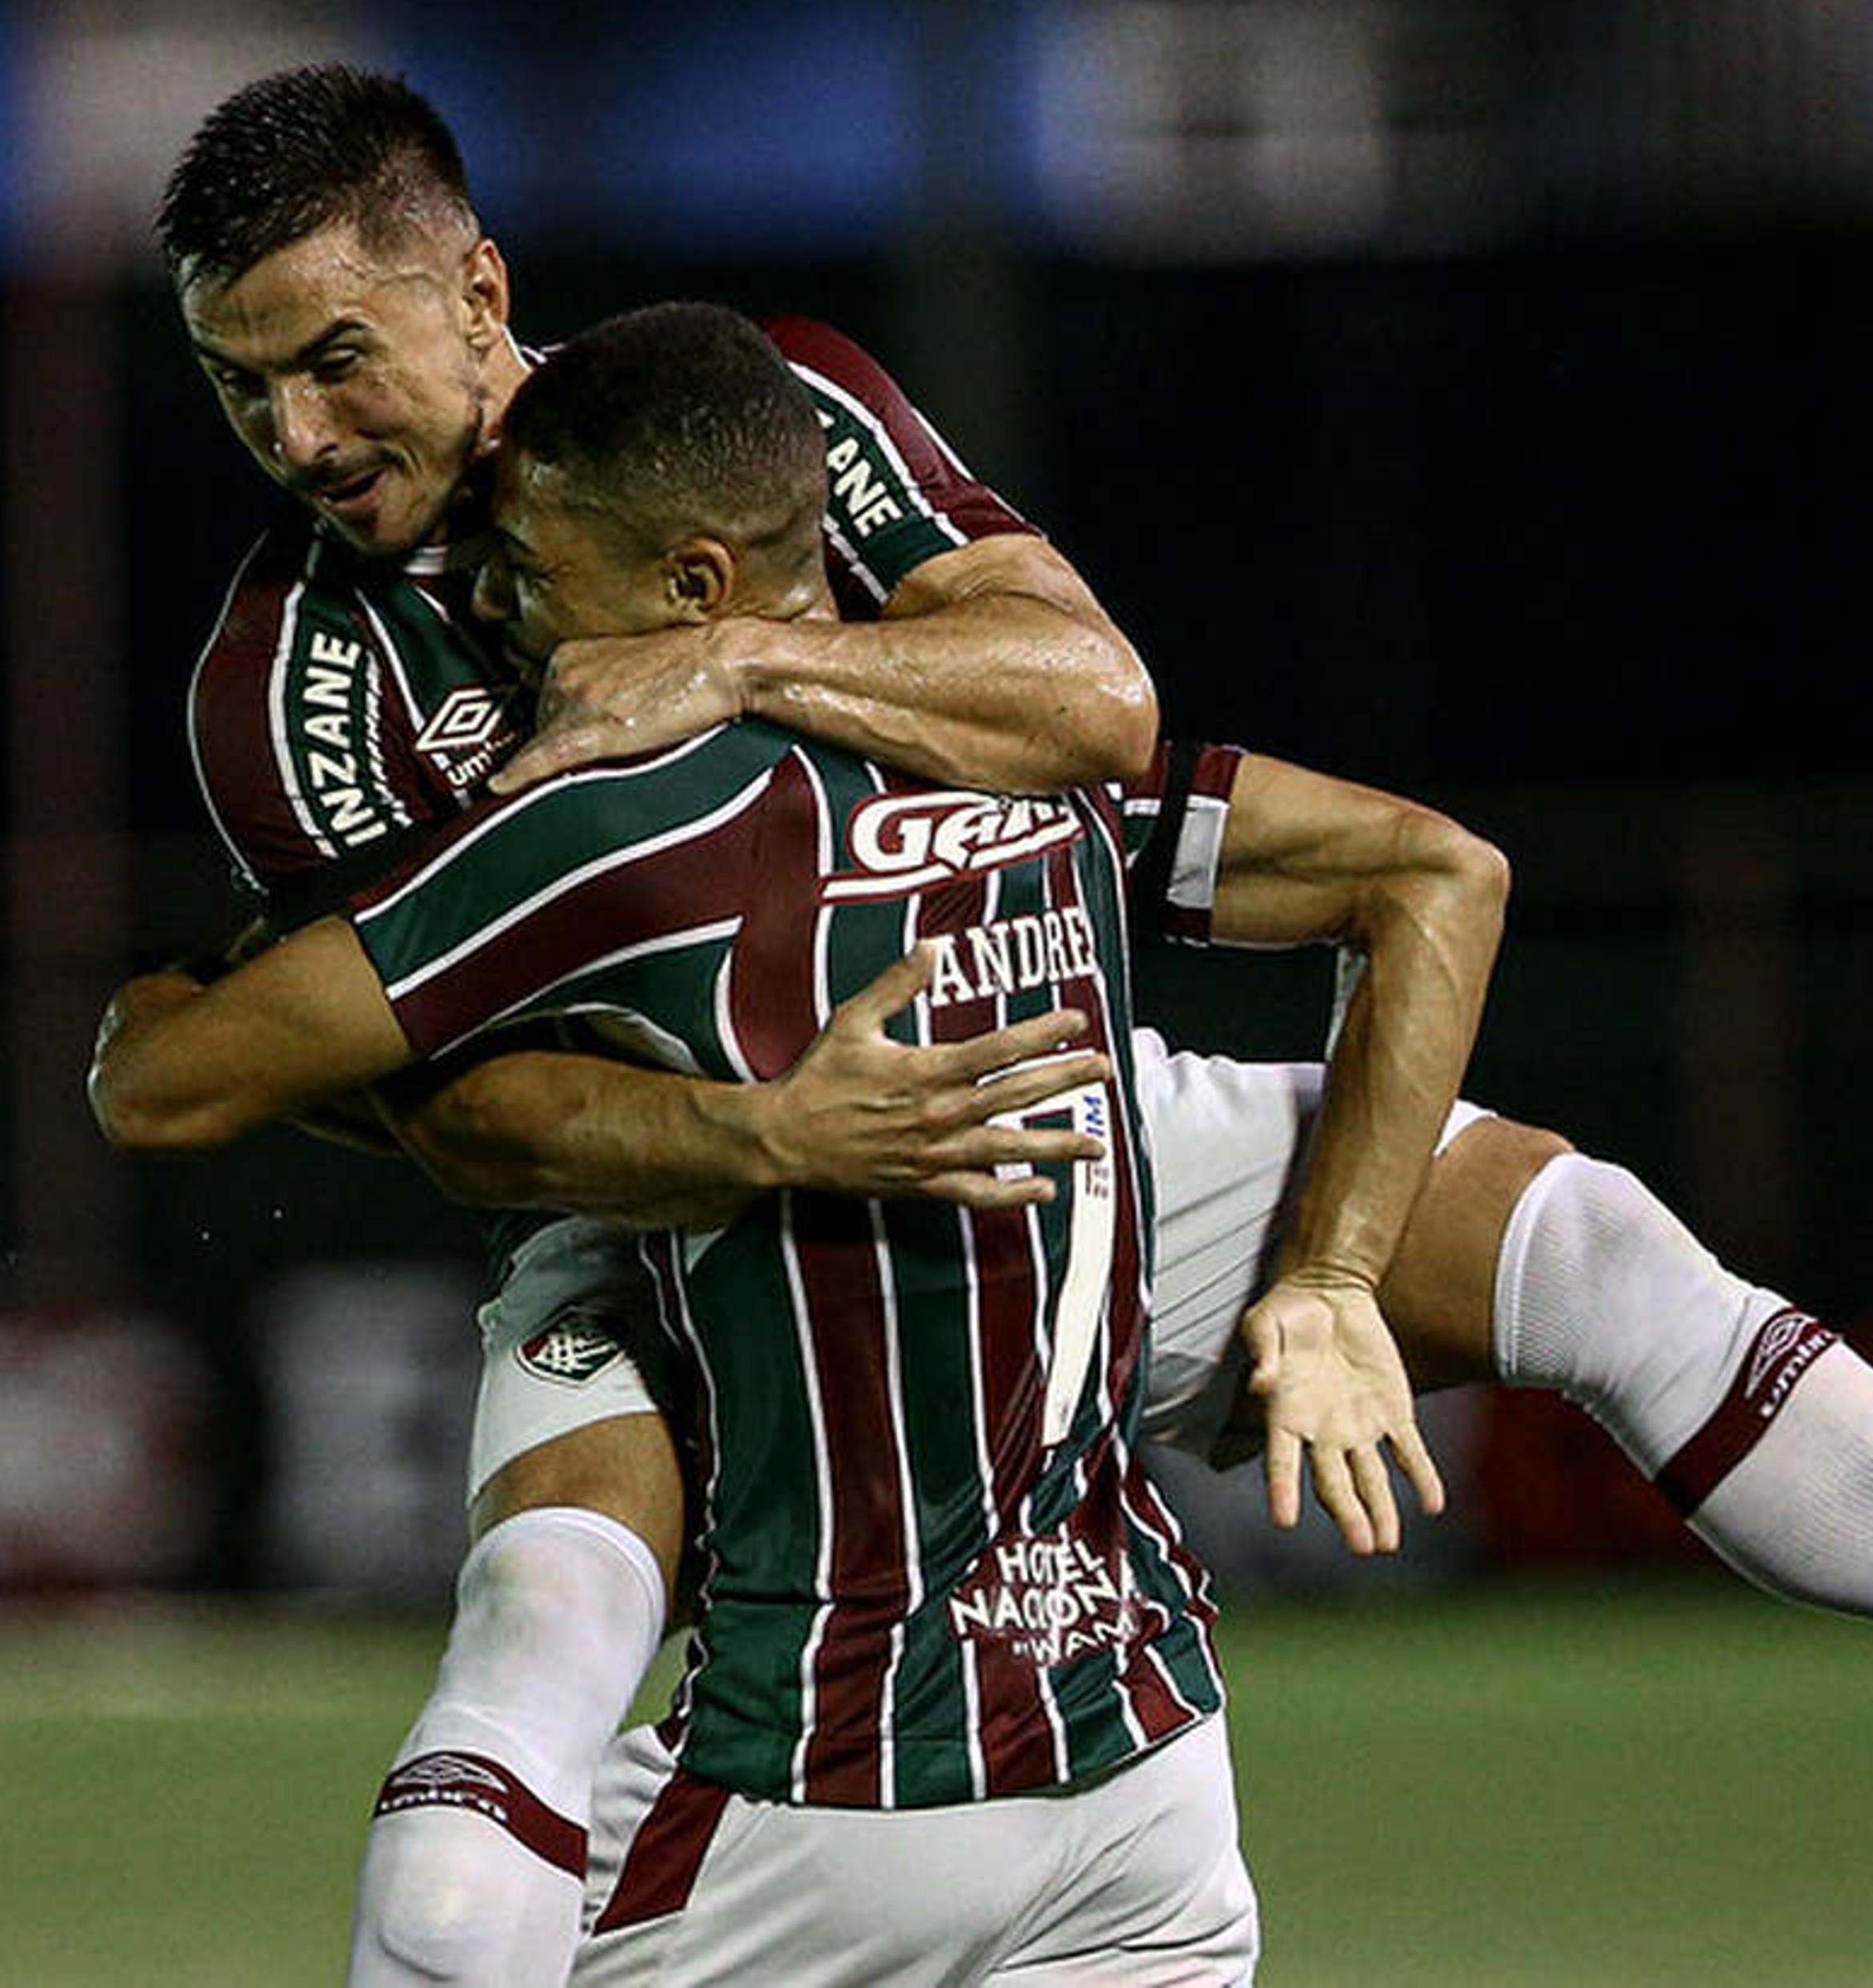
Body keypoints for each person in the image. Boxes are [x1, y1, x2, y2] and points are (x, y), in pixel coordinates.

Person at [151, 62, 1873, 1982]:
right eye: (240, 381)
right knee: (523, 1689)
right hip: (674, 1238)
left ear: (478, 289)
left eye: (333, 351)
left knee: (1596, 1246)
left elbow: (1093, 700)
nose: (294, 424)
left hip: (1043, 1109)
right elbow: (447, 1114)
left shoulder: (771, 418)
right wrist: (768, 1141)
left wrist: (747, 667)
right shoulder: (284, 690)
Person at [99, 297, 1516, 1980]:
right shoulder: (1060, 790)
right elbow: (1429, 864)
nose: (501, 616)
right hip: (1151, 1762)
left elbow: (170, 1087)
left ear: (694, 590)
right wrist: (1334, 1273)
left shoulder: (624, 827)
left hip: (836, 1766)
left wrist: (159, 998)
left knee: (458, 1919)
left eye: (535, 577)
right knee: (1619, 1270)